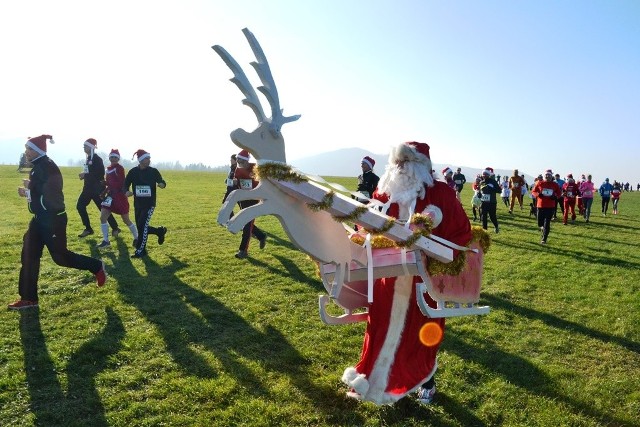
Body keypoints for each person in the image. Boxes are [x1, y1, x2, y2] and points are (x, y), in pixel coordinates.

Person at [342, 141, 472, 405]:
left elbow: (461, 235)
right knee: (378, 326)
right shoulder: (383, 192)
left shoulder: (442, 195)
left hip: (421, 280)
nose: (399, 167)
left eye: (405, 162)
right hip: (385, 277)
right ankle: (372, 381)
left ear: (421, 167)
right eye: (396, 162)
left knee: (421, 332)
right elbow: (367, 225)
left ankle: (425, 383)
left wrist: (437, 256)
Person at [9, 135, 107, 310]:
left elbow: (51, 197)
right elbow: (41, 188)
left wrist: (28, 192)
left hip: (53, 219)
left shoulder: (47, 166)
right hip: (39, 220)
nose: (26, 152)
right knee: (29, 255)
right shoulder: (38, 166)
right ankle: (29, 298)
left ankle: (96, 266)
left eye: (29, 149)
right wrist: (30, 186)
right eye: (26, 148)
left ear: (38, 151)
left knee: (60, 257)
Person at [124, 149, 168, 258]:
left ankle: (140, 250)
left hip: (149, 204)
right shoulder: (133, 172)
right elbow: (125, 185)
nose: (149, 160)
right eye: (147, 158)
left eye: (149, 158)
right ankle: (159, 231)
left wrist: (162, 184)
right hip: (138, 204)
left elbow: (161, 181)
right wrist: (126, 192)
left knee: (142, 226)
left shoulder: (153, 171)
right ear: (140, 160)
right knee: (141, 227)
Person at [77, 138, 121, 238]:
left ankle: (115, 228)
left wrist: (85, 175)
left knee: (104, 210)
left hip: (97, 190)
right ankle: (88, 228)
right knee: (80, 206)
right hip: (87, 189)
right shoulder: (88, 158)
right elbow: (89, 172)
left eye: (86, 146)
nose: (84, 147)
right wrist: (84, 175)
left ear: (92, 147)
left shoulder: (97, 159)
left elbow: (100, 174)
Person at [96, 149, 139, 249]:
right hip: (110, 197)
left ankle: (137, 238)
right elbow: (110, 184)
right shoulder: (108, 169)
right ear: (109, 158)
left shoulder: (120, 168)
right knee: (103, 217)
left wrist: (107, 184)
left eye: (115, 157)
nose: (113, 159)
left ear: (118, 158)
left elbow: (121, 183)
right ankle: (106, 241)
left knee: (126, 220)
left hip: (119, 197)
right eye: (112, 157)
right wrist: (104, 190)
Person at [233, 150, 266, 259]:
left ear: (246, 161)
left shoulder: (256, 168)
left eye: (242, 163)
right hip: (243, 199)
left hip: (253, 199)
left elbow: (263, 182)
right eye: (239, 163)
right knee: (246, 222)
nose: (240, 165)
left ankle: (243, 250)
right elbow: (237, 182)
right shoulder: (238, 169)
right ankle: (261, 235)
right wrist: (234, 184)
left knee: (247, 225)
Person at [531, 169, 562, 244]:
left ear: (551, 176)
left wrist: (555, 197)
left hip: (550, 206)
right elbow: (533, 191)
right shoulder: (540, 183)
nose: (547, 176)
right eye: (546, 175)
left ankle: (544, 238)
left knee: (547, 222)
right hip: (540, 206)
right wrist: (538, 195)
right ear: (544, 176)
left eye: (549, 175)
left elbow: (559, 193)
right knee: (540, 223)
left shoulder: (555, 184)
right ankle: (542, 228)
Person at [479, 168, 500, 233]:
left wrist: (492, 188)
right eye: (483, 174)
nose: (484, 175)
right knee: (483, 217)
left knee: (492, 217)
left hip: (492, 203)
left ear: (488, 175)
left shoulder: (493, 181)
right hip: (484, 202)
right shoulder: (481, 182)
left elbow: (499, 190)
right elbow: (480, 191)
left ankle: (496, 226)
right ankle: (485, 231)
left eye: (485, 174)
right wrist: (478, 194)